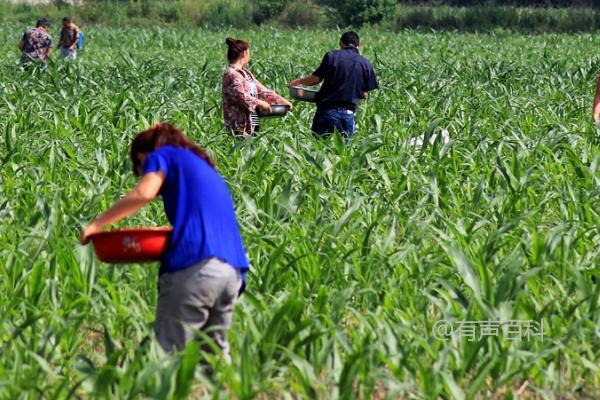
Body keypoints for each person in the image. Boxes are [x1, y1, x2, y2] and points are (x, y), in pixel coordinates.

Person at [80, 123, 250, 361]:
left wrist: (97, 224)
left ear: (142, 157)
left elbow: (144, 193)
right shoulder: (203, 166)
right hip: (232, 271)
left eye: (140, 169)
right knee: (213, 357)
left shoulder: (162, 155)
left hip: (196, 266)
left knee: (166, 356)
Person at [288, 31, 378, 138]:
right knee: (344, 151)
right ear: (358, 46)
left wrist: (298, 82)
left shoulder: (331, 56)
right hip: (347, 115)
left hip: (326, 112)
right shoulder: (366, 64)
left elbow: (315, 80)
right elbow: (364, 95)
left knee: (319, 147)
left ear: (340, 43)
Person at [222, 37, 292, 137]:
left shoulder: (245, 73)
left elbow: (262, 90)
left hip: (252, 122)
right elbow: (239, 95)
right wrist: (259, 102)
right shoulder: (231, 74)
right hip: (238, 125)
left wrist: (281, 101)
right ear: (244, 54)